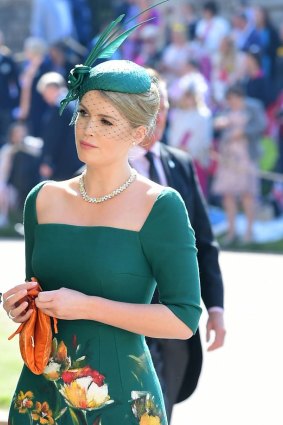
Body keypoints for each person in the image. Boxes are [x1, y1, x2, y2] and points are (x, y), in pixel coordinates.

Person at [2, 9, 201, 425]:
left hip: (124, 399)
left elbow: (183, 319)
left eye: (106, 120)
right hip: (40, 396)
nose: (87, 128)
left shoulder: (160, 205)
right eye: (84, 113)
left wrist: (88, 305)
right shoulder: (43, 199)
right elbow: (40, 295)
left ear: (139, 133)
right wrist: (24, 306)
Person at [130, 70, 225, 422]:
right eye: (153, 109)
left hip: (175, 318)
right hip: (128, 315)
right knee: (138, 411)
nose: (160, 118)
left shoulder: (179, 162)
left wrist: (215, 306)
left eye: (165, 108)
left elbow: (203, 239)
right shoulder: (108, 165)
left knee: (162, 411)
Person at [212, 84, 266, 244]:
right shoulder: (227, 109)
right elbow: (216, 124)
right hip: (228, 156)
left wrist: (243, 132)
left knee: (248, 193)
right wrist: (220, 123)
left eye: (234, 99)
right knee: (228, 194)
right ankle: (231, 231)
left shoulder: (254, 106)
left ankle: (249, 232)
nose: (232, 102)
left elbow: (261, 125)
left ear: (240, 96)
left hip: (246, 155)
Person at [36, 72, 82, 181]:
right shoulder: (75, 102)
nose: (44, 98)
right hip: (78, 161)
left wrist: (47, 161)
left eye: (44, 93)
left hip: (63, 165)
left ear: (51, 89)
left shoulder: (59, 107)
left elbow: (53, 138)